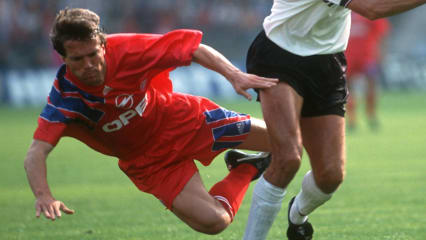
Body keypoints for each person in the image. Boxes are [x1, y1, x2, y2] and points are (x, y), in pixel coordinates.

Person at [23, 8, 279, 235]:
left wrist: (234, 76)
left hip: (183, 121)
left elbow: (194, 49)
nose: (89, 65)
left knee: (284, 141)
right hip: (150, 163)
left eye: (93, 54)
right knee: (215, 222)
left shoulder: (126, 50)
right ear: (63, 59)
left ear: (102, 45)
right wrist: (43, 195)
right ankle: (246, 166)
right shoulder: (64, 100)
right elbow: (36, 152)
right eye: (78, 59)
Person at [240, 1, 426, 240]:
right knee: (288, 158)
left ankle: (297, 215)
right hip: (280, 55)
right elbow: (374, 8)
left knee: (330, 175)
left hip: (326, 63)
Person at [346, 12, 390, 131]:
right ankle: (352, 119)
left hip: (368, 56)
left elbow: (382, 34)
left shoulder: (369, 8)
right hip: (348, 56)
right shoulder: (345, 10)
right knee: (348, 88)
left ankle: (371, 115)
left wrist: (382, 55)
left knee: (371, 85)